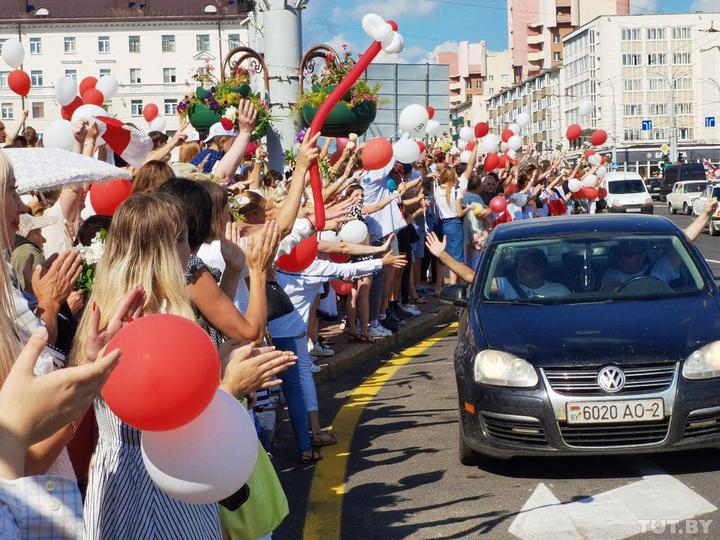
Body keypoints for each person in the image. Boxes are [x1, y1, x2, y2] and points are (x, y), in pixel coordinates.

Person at [600, 239, 681, 291]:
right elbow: (614, 290)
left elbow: (684, 242)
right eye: (619, 253)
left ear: (642, 256)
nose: (622, 258)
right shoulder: (612, 274)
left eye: (628, 254)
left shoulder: (656, 271)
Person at [10, 213, 57, 291]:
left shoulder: (20, 251)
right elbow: (45, 293)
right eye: (39, 232)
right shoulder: (29, 252)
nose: (44, 240)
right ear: (28, 235)